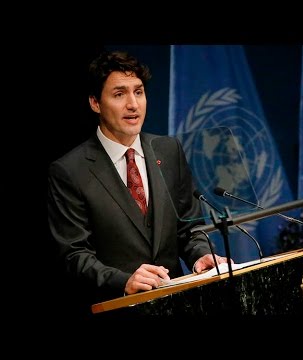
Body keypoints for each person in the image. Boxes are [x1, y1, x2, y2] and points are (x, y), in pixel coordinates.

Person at [47, 50, 229, 317]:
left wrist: (200, 254)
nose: (133, 104)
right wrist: (124, 281)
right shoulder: (69, 171)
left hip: (180, 304)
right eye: (119, 94)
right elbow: (74, 255)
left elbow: (189, 227)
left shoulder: (168, 151)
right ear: (95, 103)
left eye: (139, 92)